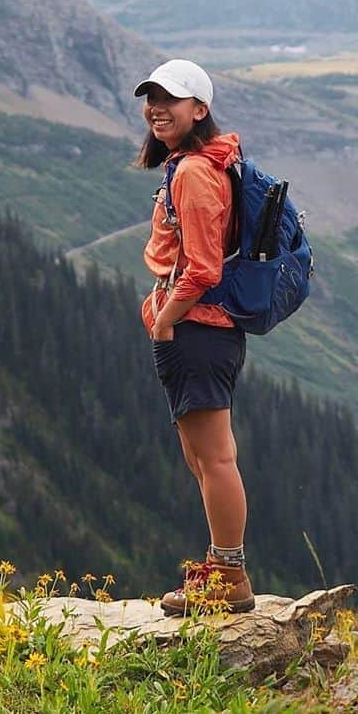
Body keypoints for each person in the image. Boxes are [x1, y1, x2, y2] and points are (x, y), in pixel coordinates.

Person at [133, 58, 254, 615]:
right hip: (202, 329)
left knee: (215, 459)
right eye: (152, 99)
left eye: (170, 100)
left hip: (197, 329)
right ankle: (220, 564)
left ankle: (229, 576)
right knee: (206, 460)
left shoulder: (192, 173)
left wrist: (166, 319)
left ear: (199, 109)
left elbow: (203, 267)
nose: (156, 108)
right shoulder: (199, 164)